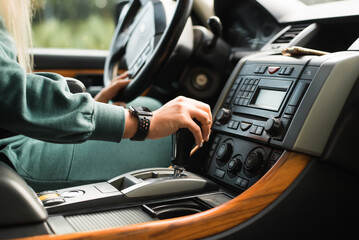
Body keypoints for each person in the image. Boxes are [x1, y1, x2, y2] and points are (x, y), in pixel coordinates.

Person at [0, 0, 212, 191]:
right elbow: (10, 91)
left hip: (17, 140)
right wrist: (147, 124)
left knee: (144, 104)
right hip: (12, 158)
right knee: (164, 133)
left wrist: (92, 104)